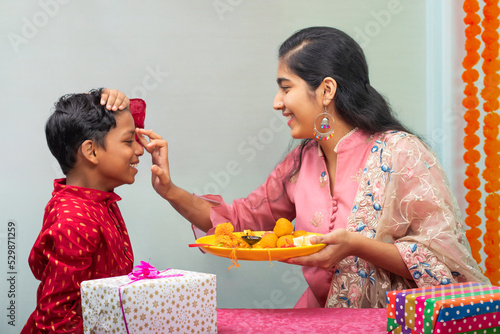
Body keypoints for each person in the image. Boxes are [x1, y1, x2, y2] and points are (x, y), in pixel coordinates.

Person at [137, 26, 489, 308]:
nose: (277, 103)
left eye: (285, 88)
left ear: (326, 90)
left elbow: (447, 266)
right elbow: (240, 222)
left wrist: (355, 245)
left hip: (389, 319)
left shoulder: (403, 154)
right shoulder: (300, 161)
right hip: (319, 316)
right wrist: (170, 190)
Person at [22, 88, 148, 333]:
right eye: (128, 141)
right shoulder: (75, 220)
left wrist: (120, 103)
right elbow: (55, 320)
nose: (140, 150)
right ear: (91, 151)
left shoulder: (95, 202)